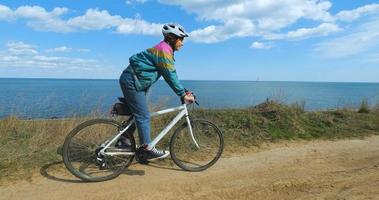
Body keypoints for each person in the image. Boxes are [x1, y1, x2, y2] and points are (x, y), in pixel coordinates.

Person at [118, 23, 195, 161]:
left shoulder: (165, 50)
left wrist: (183, 91)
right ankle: (147, 149)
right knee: (143, 116)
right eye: (181, 39)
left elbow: (171, 74)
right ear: (173, 38)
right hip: (133, 81)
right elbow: (170, 75)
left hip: (137, 82)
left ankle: (124, 141)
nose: (183, 43)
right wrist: (182, 94)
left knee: (139, 114)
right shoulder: (164, 51)